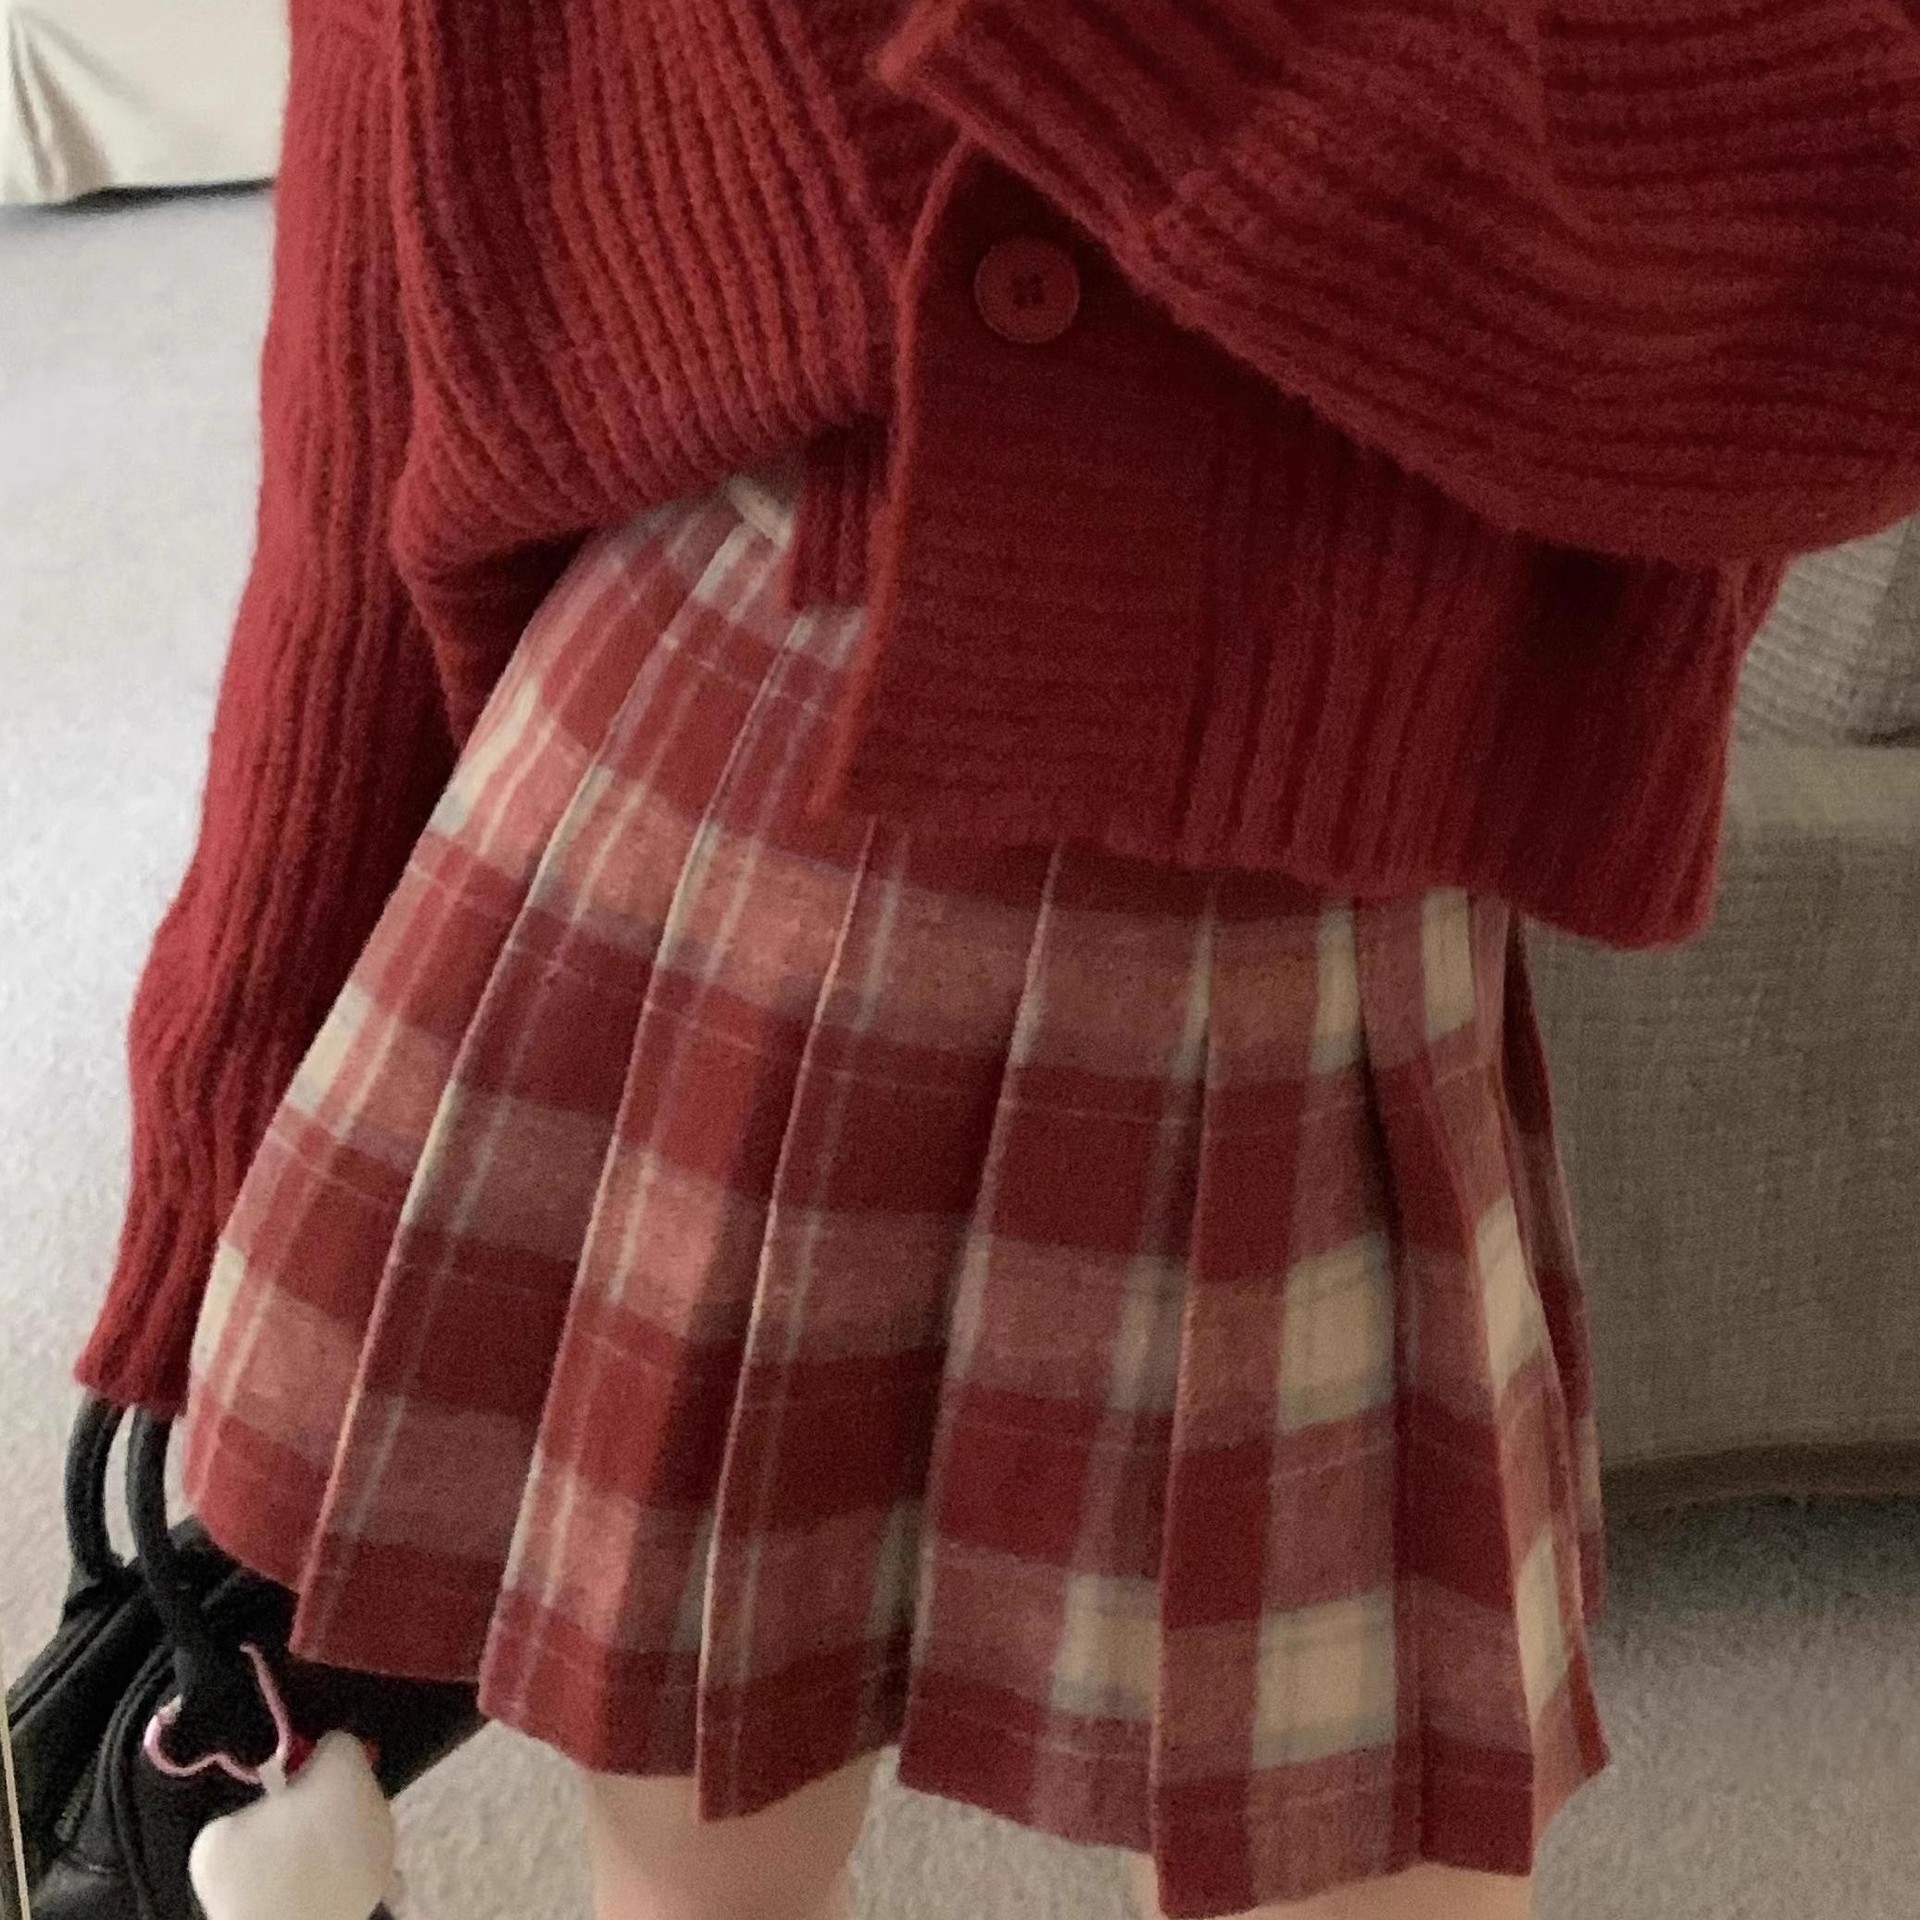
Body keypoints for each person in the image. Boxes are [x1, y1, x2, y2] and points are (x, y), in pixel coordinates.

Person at [71, 3, 1920, 1917]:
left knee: (1363, 1852)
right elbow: (376, 374)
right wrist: (221, 1097)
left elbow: (1856, 273)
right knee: (699, 1870)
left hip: (1301, 954)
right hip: (711, 835)